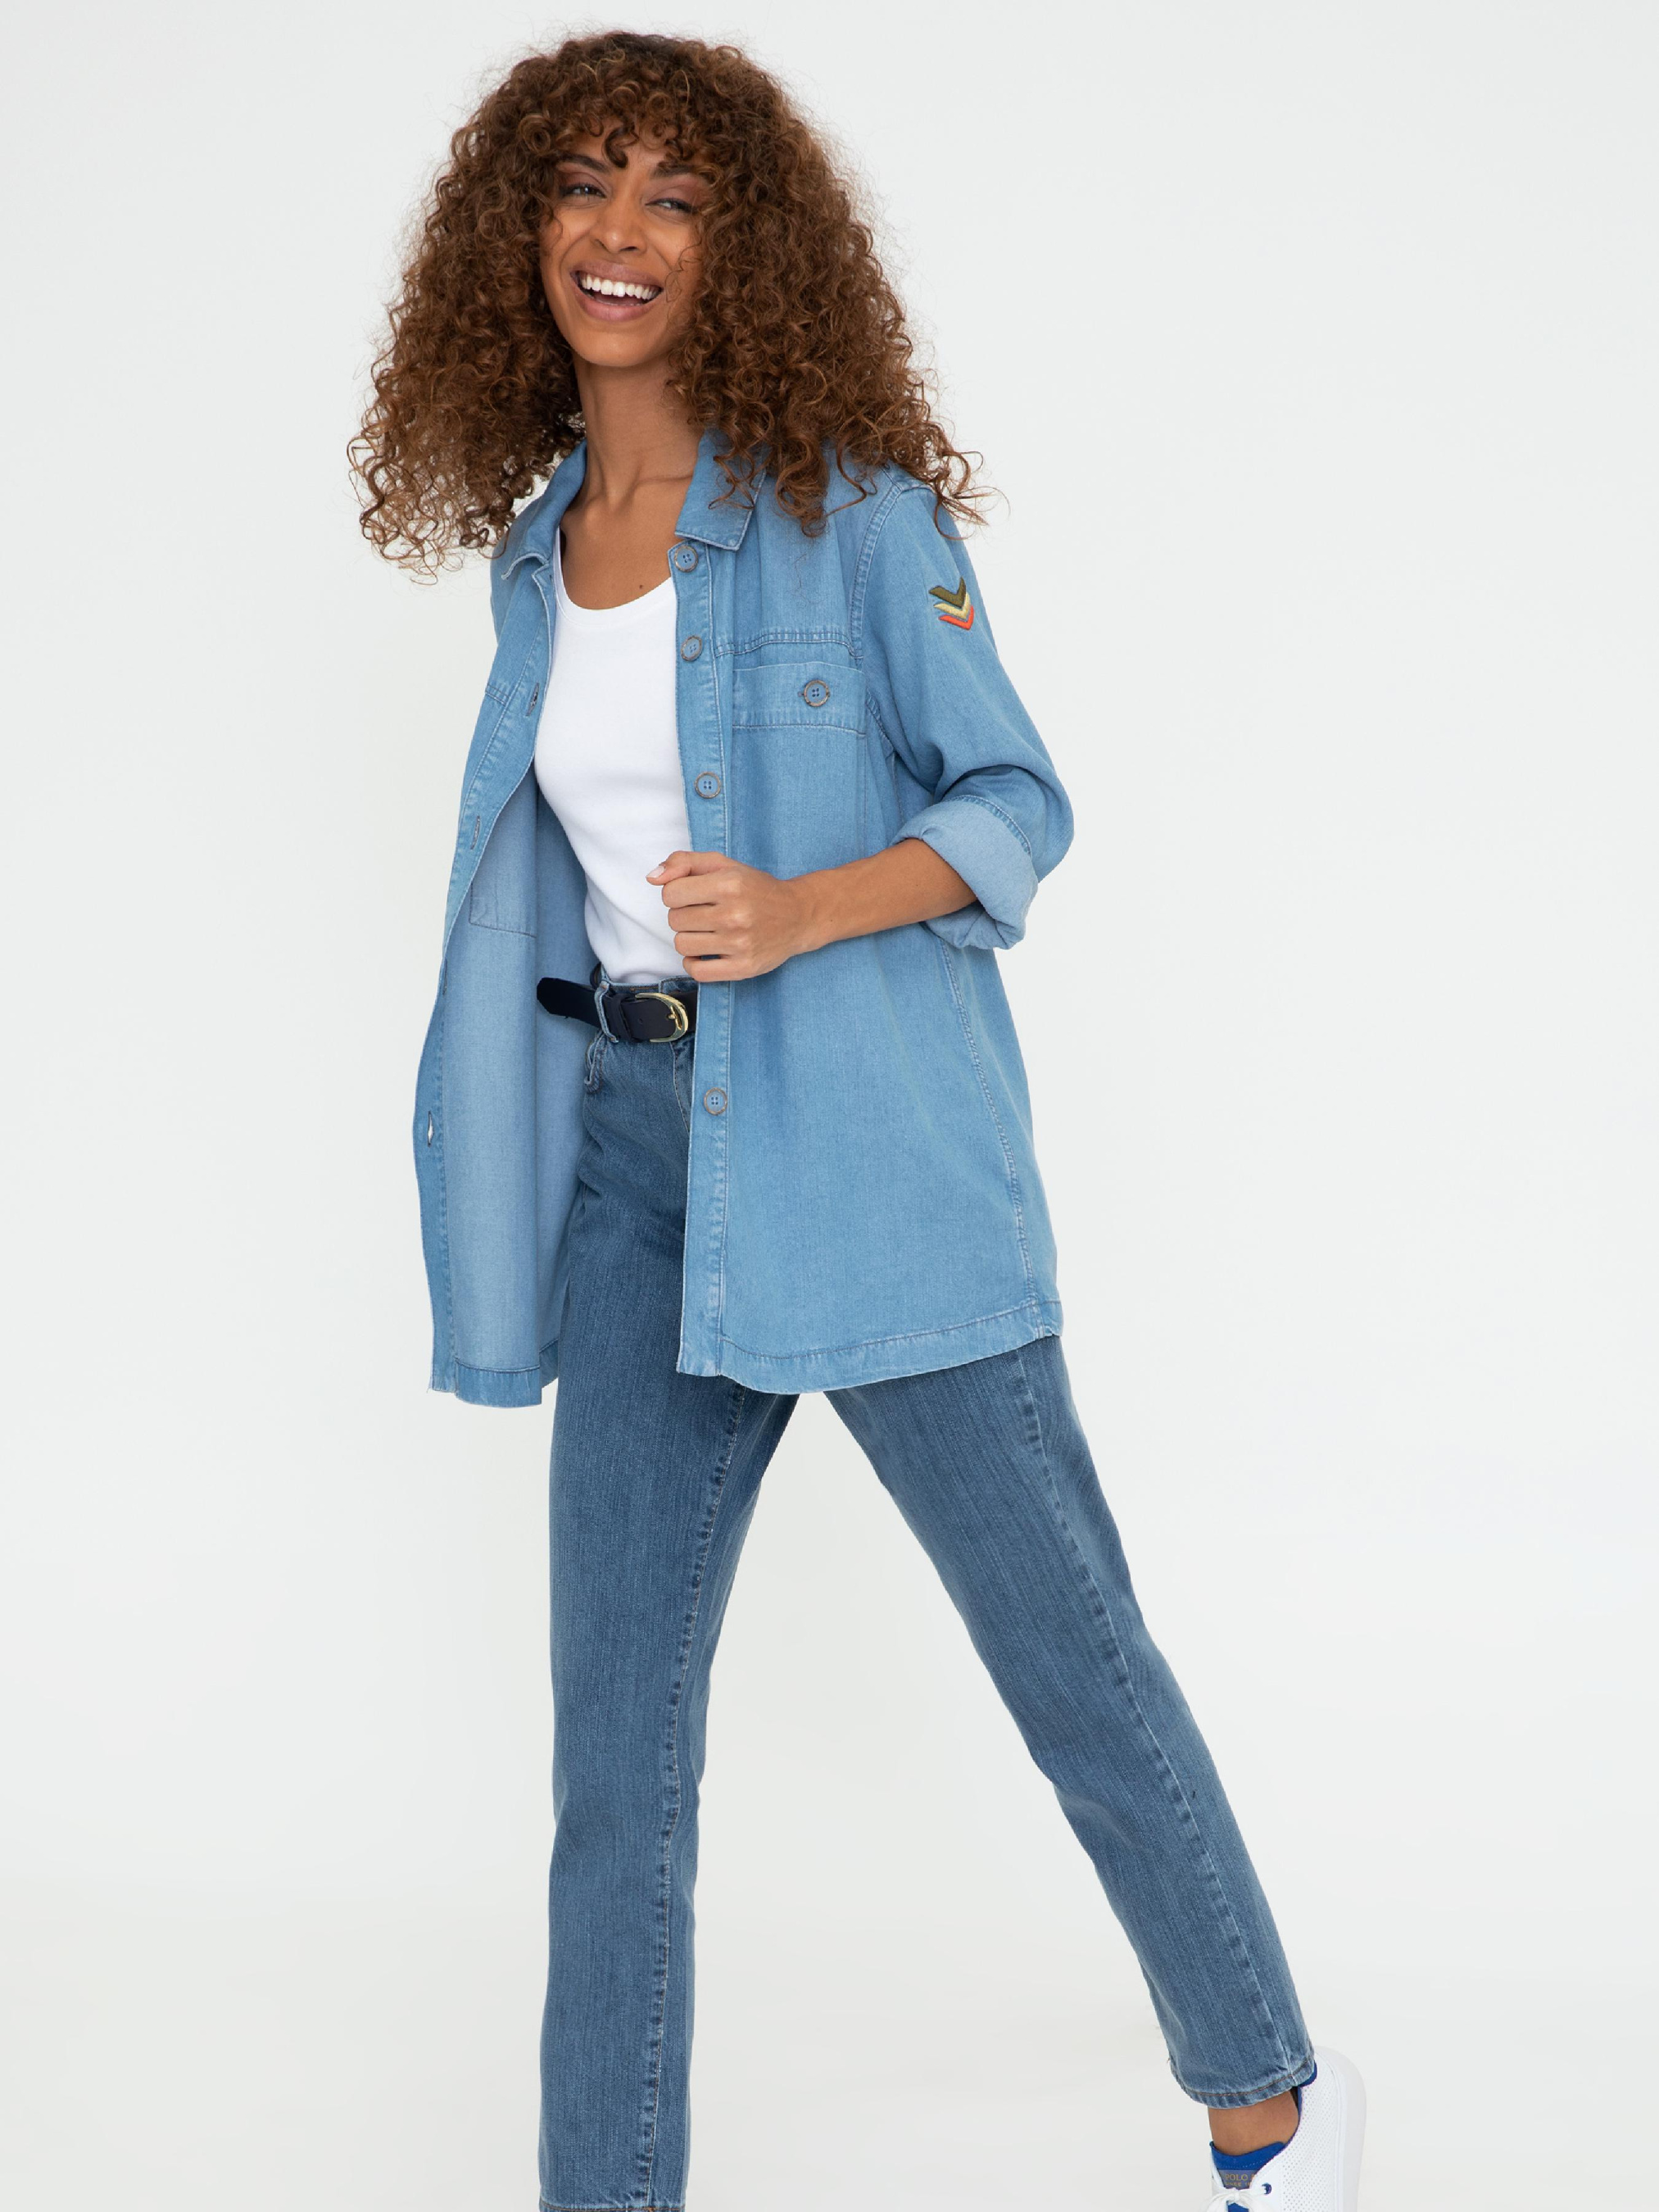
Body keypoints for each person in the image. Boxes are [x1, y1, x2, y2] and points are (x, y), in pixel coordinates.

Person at [352, 31, 1365, 2212]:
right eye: (584, 187)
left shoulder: (853, 516)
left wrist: (806, 903)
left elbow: (1018, 802)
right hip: (637, 1171)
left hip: (875, 1156)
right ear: (519, 231)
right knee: (616, 1769)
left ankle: (1267, 2095)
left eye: (676, 199)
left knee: (1071, 1665)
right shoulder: (536, 553)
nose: (621, 235)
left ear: (746, 253)